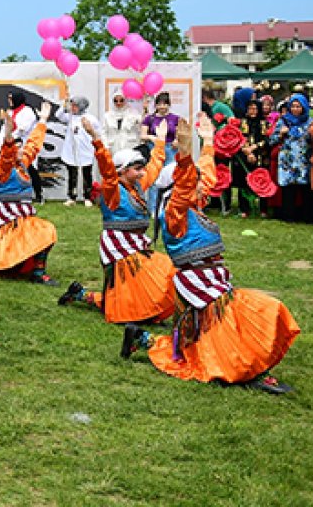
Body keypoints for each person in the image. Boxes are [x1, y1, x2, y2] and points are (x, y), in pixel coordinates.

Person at [121, 116, 299, 394]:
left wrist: (206, 143)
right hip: (198, 283)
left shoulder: (193, 204)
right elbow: (186, 182)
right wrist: (182, 152)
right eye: (197, 184)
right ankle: (249, 371)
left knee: (202, 343)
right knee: (246, 319)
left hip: (213, 278)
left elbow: (206, 173)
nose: (205, 186)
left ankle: (142, 338)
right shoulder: (175, 212)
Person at [59, 118, 174, 324]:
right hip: (118, 247)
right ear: (122, 171)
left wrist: (160, 141)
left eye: (141, 168)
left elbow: (155, 167)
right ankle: (93, 299)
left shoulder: (137, 185)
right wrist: (96, 139)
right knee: (125, 295)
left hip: (136, 244)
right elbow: (107, 170)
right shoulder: (113, 190)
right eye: (137, 168)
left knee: (154, 276)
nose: (141, 172)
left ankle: (81, 294)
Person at [0, 101, 60, 285]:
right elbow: (7, 155)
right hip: (9, 223)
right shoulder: (3, 170)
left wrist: (43, 119)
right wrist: (7, 133)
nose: (22, 149)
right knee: (6, 263)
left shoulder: (23, 164)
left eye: (21, 147)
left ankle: (39, 272)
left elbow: (34, 143)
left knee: (45, 231)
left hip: (25, 220)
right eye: (18, 147)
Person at [268, 93, 313, 222]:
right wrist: (281, 135)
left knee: (305, 189)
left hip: (303, 160)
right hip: (287, 161)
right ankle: (288, 216)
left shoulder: (310, 122)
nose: (295, 109)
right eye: (293, 106)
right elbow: (271, 140)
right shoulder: (283, 121)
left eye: (298, 106)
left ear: (304, 107)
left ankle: (306, 216)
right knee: (288, 190)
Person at [55, 96, 97, 206]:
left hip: (85, 149)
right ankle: (71, 196)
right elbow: (58, 115)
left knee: (87, 174)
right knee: (72, 174)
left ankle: (87, 197)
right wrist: (64, 104)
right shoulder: (69, 117)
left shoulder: (90, 118)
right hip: (72, 150)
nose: (72, 108)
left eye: (75, 106)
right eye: (72, 105)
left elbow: (97, 131)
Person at [233, 97, 270, 218]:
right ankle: (244, 209)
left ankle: (263, 209)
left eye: (255, 109)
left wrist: (254, 148)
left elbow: (266, 140)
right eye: (250, 109)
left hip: (260, 156)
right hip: (245, 156)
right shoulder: (242, 122)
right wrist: (247, 152)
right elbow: (239, 138)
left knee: (262, 182)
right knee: (244, 182)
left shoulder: (264, 123)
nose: (252, 111)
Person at [102, 90, 141, 155]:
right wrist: (106, 147)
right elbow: (104, 133)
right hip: (113, 148)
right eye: (116, 101)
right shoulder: (107, 116)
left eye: (121, 100)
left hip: (130, 147)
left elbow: (141, 128)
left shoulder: (134, 114)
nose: (118, 103)